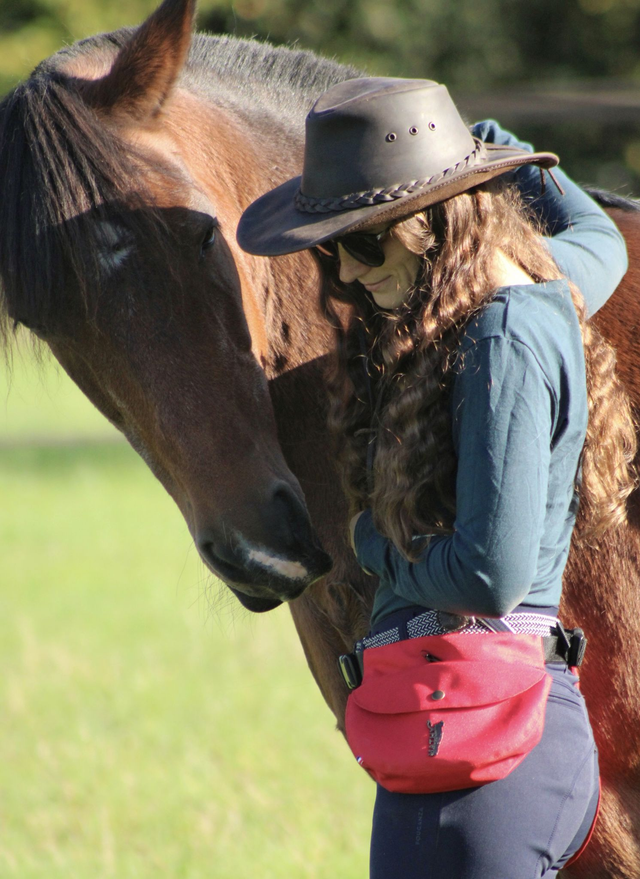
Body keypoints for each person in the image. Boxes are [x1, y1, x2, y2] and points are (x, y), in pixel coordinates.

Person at [236, 77, 635, 878]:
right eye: (329, 249)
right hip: (458, 725)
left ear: (426, 224)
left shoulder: (504, 336)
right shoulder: (525, 290)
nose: (345, 275)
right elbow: (603, 238)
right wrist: (491, 148)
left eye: (360, 242)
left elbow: (489, 575)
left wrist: (371, 544)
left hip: (486, 733)